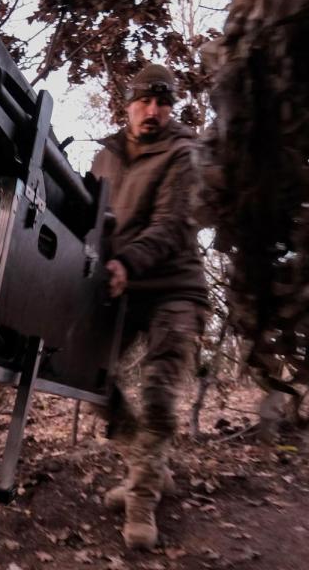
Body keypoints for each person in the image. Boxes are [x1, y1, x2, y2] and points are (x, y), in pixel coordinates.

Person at [88, 63, 208, 550]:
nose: (154, 112)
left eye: (164, 103)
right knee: (86, 375)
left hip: (174, 287)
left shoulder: (185, 154)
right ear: (128, 103)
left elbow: (173, 224)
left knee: (158, 391)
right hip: (123, 287)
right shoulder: (105, 157)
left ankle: (141, 503)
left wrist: (127, 263)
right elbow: (90, 220)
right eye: (145, 101)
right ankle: (148, 467)